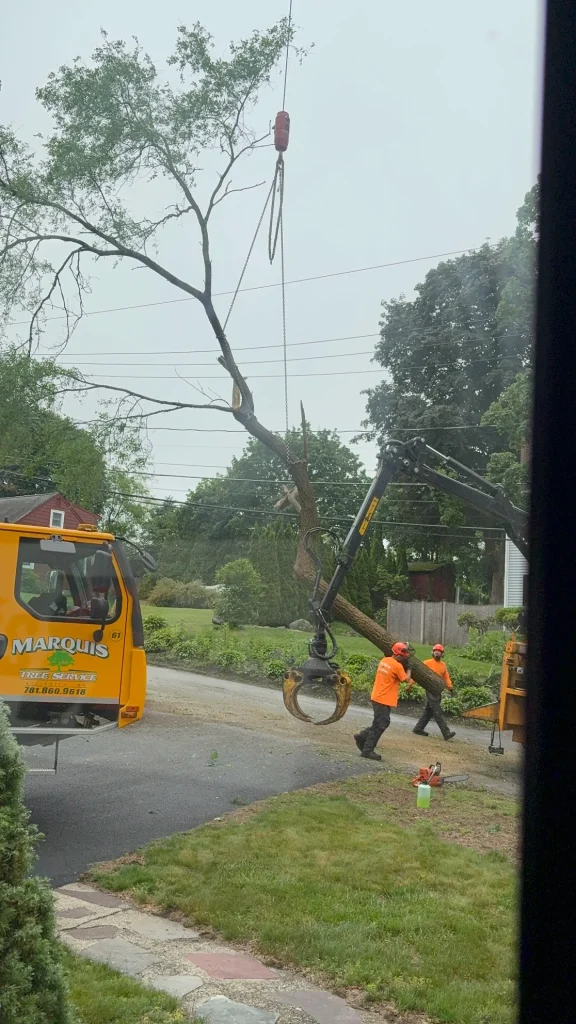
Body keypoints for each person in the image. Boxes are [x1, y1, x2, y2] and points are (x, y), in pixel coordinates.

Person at [354, 641, 411, 761]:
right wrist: (410, 668)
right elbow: (405, 680)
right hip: (384, 699)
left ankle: (362, 737)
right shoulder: (397, 666)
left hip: (377, 696)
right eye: (405, 653)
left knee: (380, 722)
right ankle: (367, 750)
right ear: (399, 654)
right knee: (381, 724)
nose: (406, 655)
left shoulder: (384, 660)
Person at [412, 643, 456, 740]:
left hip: (437, 689)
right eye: (436, 651)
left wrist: (450, 686)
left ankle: (418, 728)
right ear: (432, 652)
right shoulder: (427, 663)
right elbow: (417, 673)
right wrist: (410, 684)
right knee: (437, 711)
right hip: (430, 688)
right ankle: (446, 732)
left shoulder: (443, 665)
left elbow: (446, 677)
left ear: (442, 654)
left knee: (429, 711)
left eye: (439, 652)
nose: (437, 653)